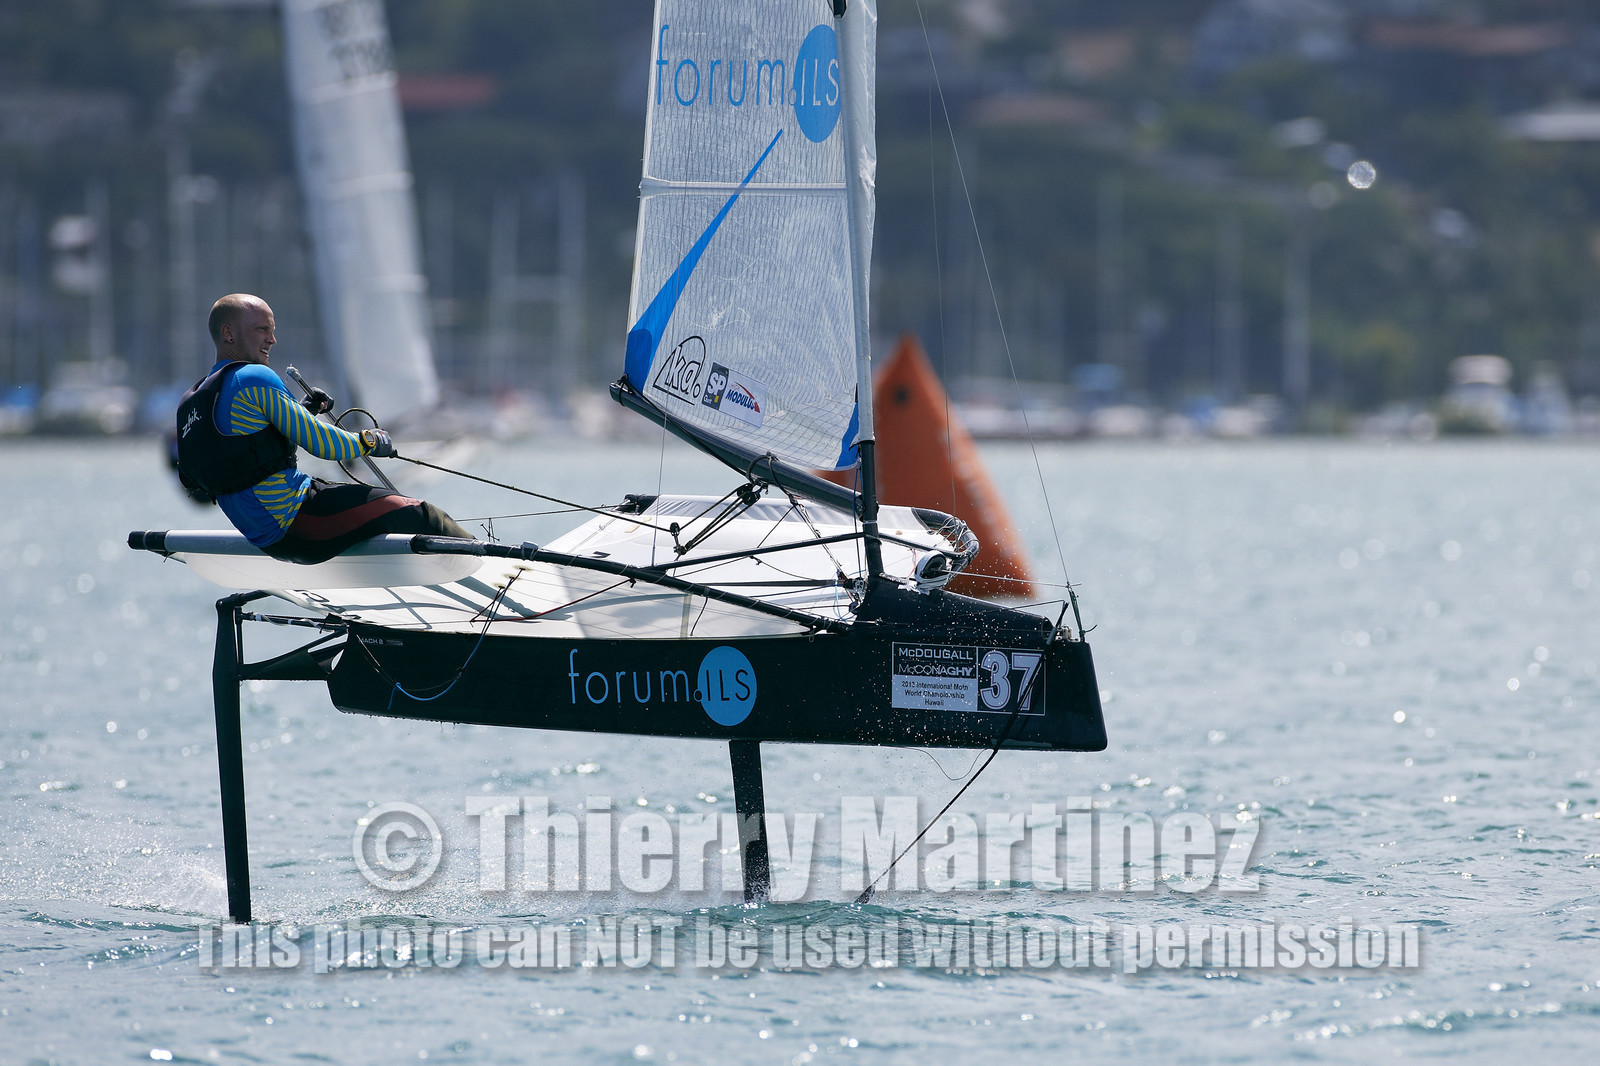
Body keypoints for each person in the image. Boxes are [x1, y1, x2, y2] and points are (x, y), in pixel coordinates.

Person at [175, 293, 468, 564]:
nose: (272, 339)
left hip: (270, 539)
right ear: (229, 333)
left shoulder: (195, 402)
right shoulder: (252, 376)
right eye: (262, 329)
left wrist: (304, 412)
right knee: (419, 514)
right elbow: (322, 444)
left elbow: (247, 451)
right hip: (303, 521)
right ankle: (487, 565)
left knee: (373, 512)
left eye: (272, 330)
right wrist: (367, 440)